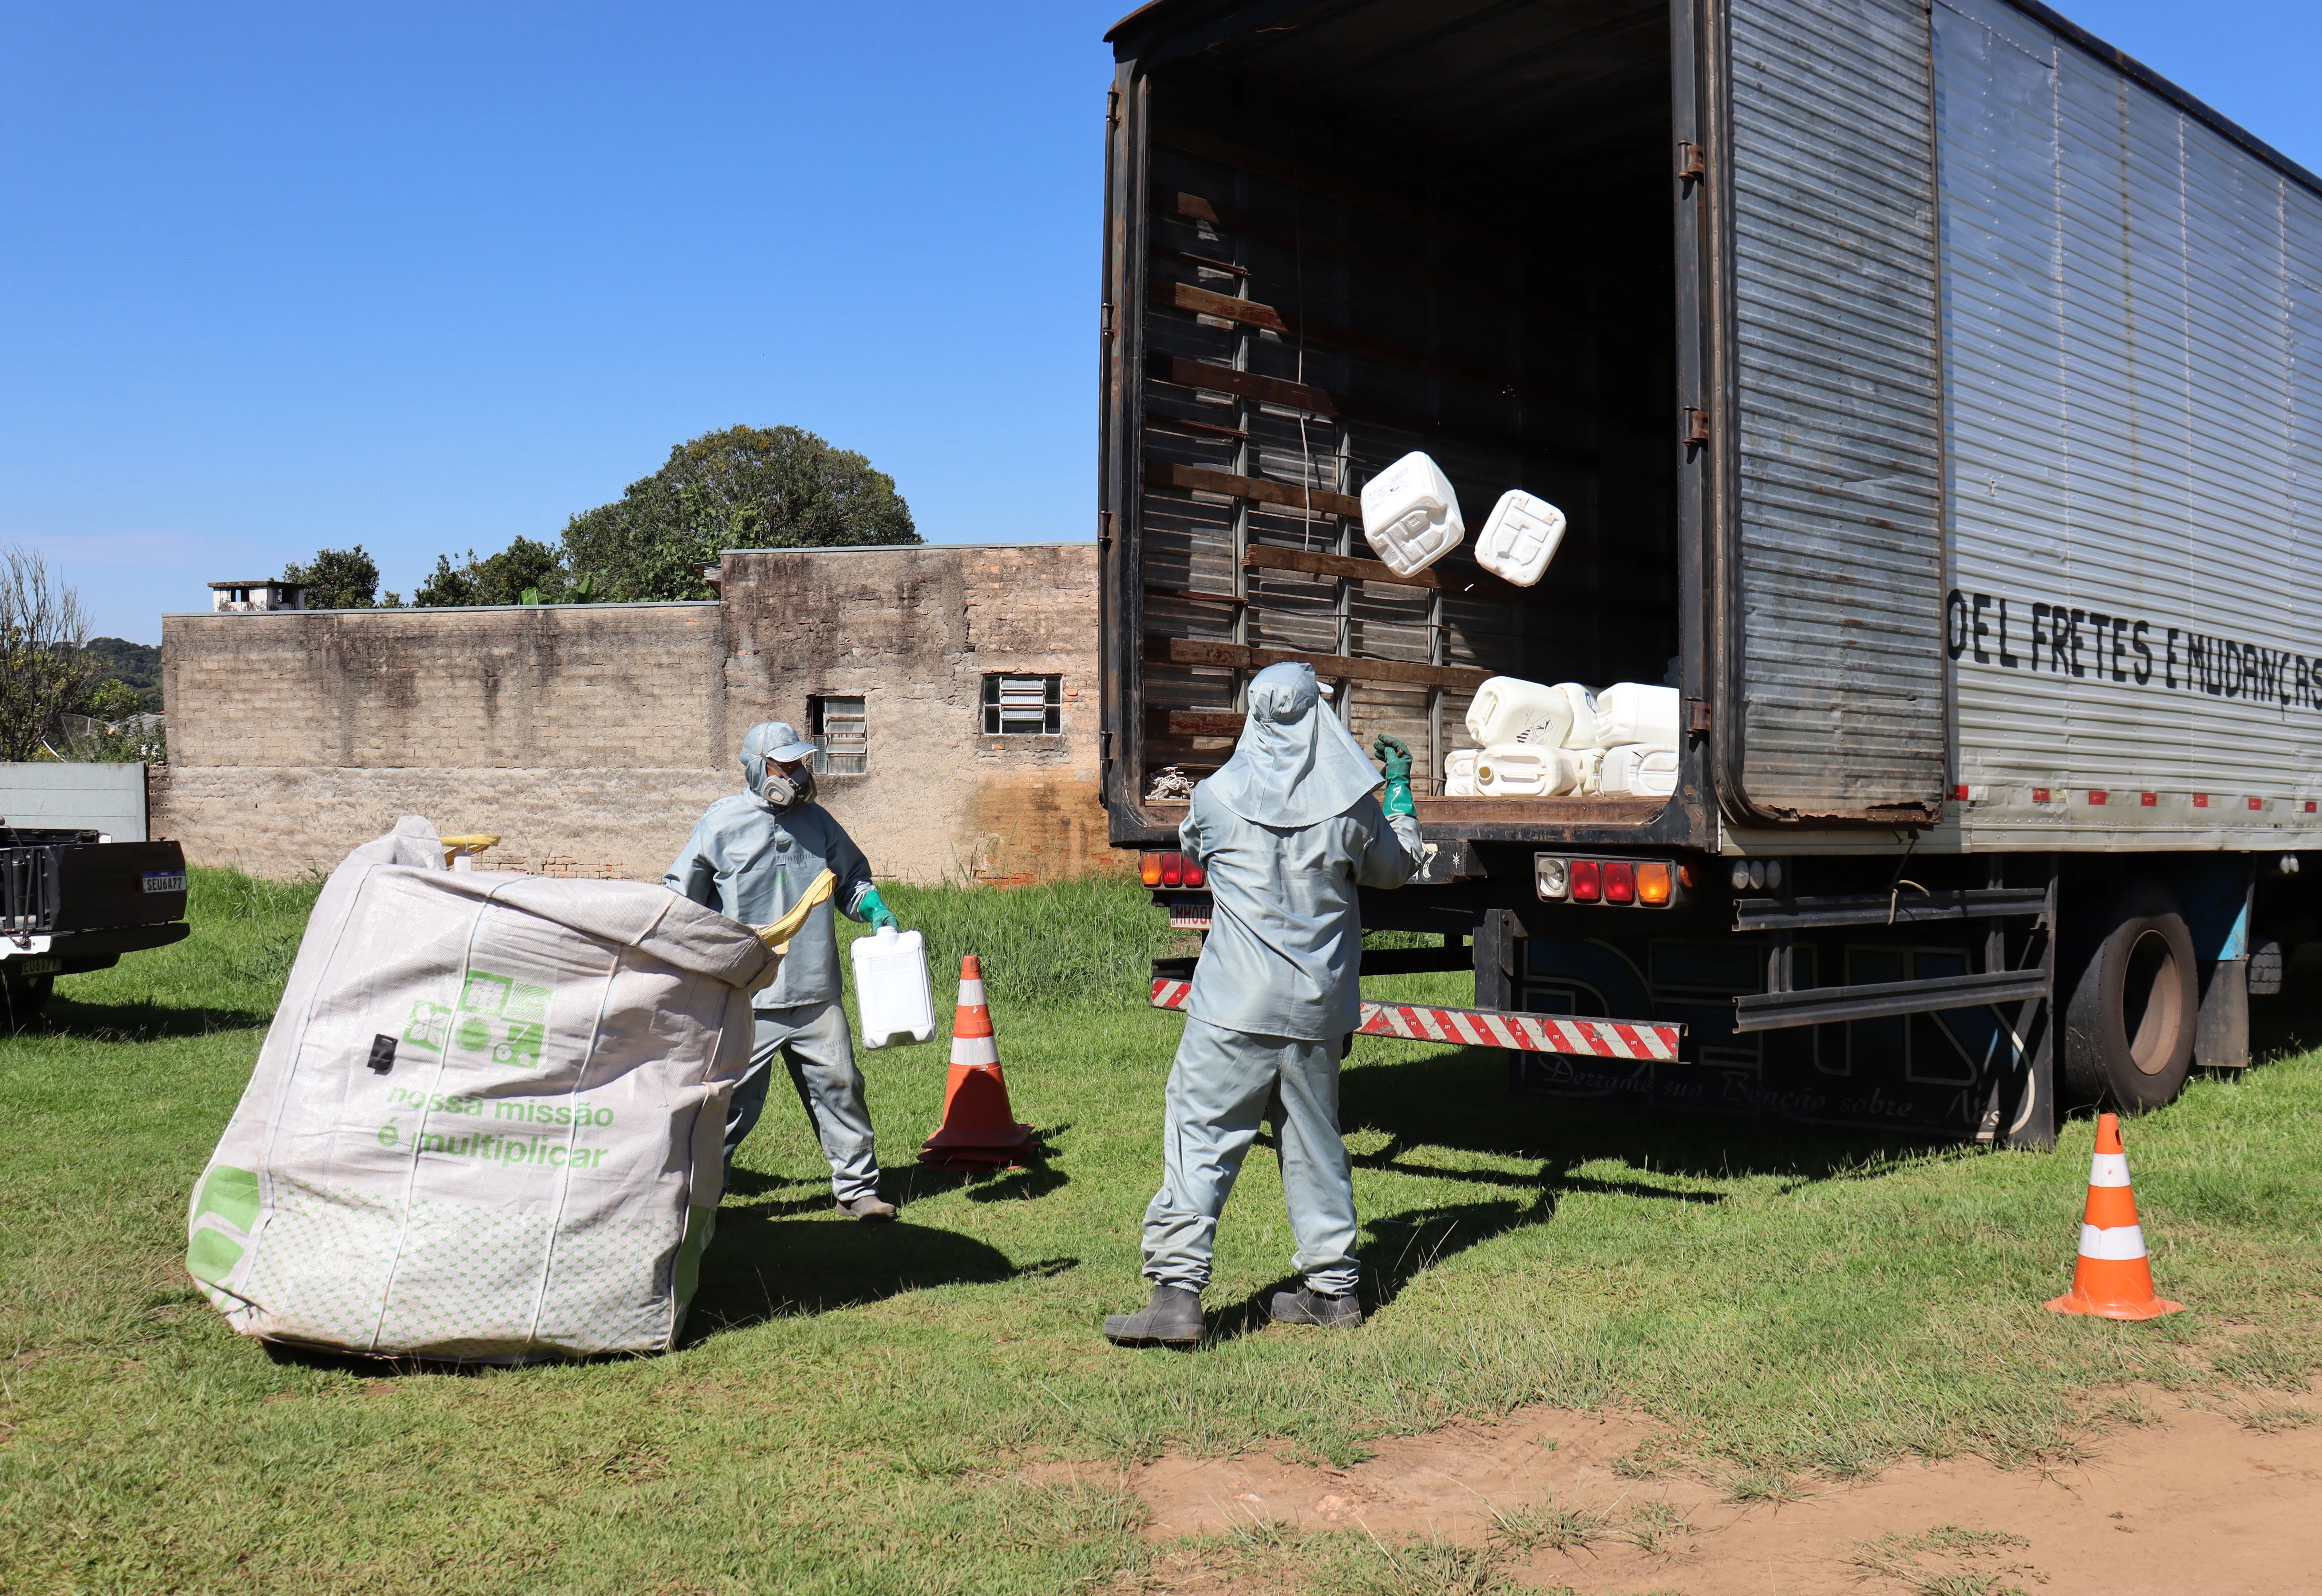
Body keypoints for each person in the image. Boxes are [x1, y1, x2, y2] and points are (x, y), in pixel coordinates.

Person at [1105, 662, 1424, 1346]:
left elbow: (1195, 847)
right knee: (1314, 1145)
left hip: (1232, 1006)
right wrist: (1397, 795)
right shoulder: (1351, 807)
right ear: (1318, 718)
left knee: (1200, 1139)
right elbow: (1395, 869)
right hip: (1316, 1010)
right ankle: (1333, 1289)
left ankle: (1175, 1299)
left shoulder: (1218, 796)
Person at [665, 721, 903, 1222]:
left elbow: (851, 879)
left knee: (841, 1089)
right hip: (747, 996)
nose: (796, 775)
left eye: (801, 765)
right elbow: (680, 898)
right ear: (757, 769)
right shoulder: (720, 824)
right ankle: (700, 1197)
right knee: (728, 1107)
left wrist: (872, 906)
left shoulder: (818, 823)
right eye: (784, 766)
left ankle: (858, 1191)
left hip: (816, 992)